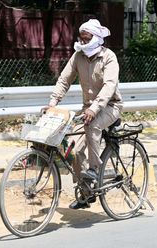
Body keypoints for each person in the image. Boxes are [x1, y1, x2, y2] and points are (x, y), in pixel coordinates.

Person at [43, 19, 123, 209]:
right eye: (82, 38)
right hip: (87, 108)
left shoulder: (108, 57)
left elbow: (109, 86)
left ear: (96, 38)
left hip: (110, 106)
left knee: (92, 124)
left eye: (87, 38)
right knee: (74, 148)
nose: (83, 41)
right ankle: (87, 193)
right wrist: (52, 103)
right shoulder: (78, 56)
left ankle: (94, 169)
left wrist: (94, 109)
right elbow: (64, 81)